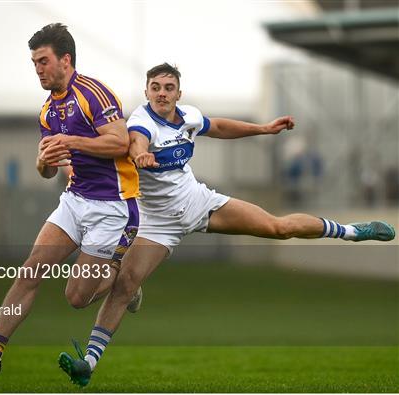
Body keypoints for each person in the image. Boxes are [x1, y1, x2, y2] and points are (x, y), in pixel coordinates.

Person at [58, 63, 396, 387]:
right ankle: (88, 363)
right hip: (156, 225)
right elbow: (138, 143)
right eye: (155, 88)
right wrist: (142, 154)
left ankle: (353, 232)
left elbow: (217, 126)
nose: (162, 94)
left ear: (178, 93)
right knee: (123, 288)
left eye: (169, 88)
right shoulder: (140, 123)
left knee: (277, 227)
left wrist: (263, 128)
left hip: (200, 203)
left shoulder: (188, 115)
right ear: (146, 91)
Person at [0, 23, 141, 375]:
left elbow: (120, 143)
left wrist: (71, 142)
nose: (38, 69)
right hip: (75, 200)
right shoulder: (48, 110)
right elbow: (49, 169)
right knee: (30, 270)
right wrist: (43, 162)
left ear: (65, 60)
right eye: (34, 63)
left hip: (114, 207)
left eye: (43, 61)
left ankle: (125, 283)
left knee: (76, 298)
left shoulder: (94, 93)